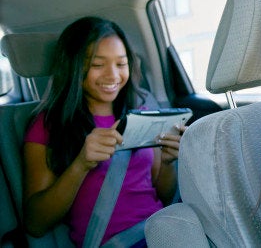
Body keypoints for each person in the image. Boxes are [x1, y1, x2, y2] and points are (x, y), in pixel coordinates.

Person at [23, 16, 184, 247]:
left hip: (162, 229)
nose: (113, 76)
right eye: (98, 65)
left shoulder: (141, 113)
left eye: (121, 64)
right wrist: (81, 164)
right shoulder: (48, 126)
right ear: (73, 67)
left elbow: (163, 196)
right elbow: (35, 224)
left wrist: (168, 162)